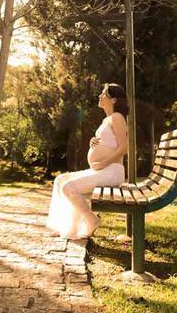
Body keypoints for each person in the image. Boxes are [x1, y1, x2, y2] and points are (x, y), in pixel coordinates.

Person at [46, 83, 128, 240]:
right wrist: (94, 142)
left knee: (69, 187)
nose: (100, 96)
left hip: (112, 171)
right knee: (60, 179)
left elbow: (124, 148)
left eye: (104, 93)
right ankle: (66, 227)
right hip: (103, 170)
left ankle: (92, 220)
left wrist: (103, 163)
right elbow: (110, 142)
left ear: (114, 100)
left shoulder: (117, 117)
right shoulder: (107, 120)